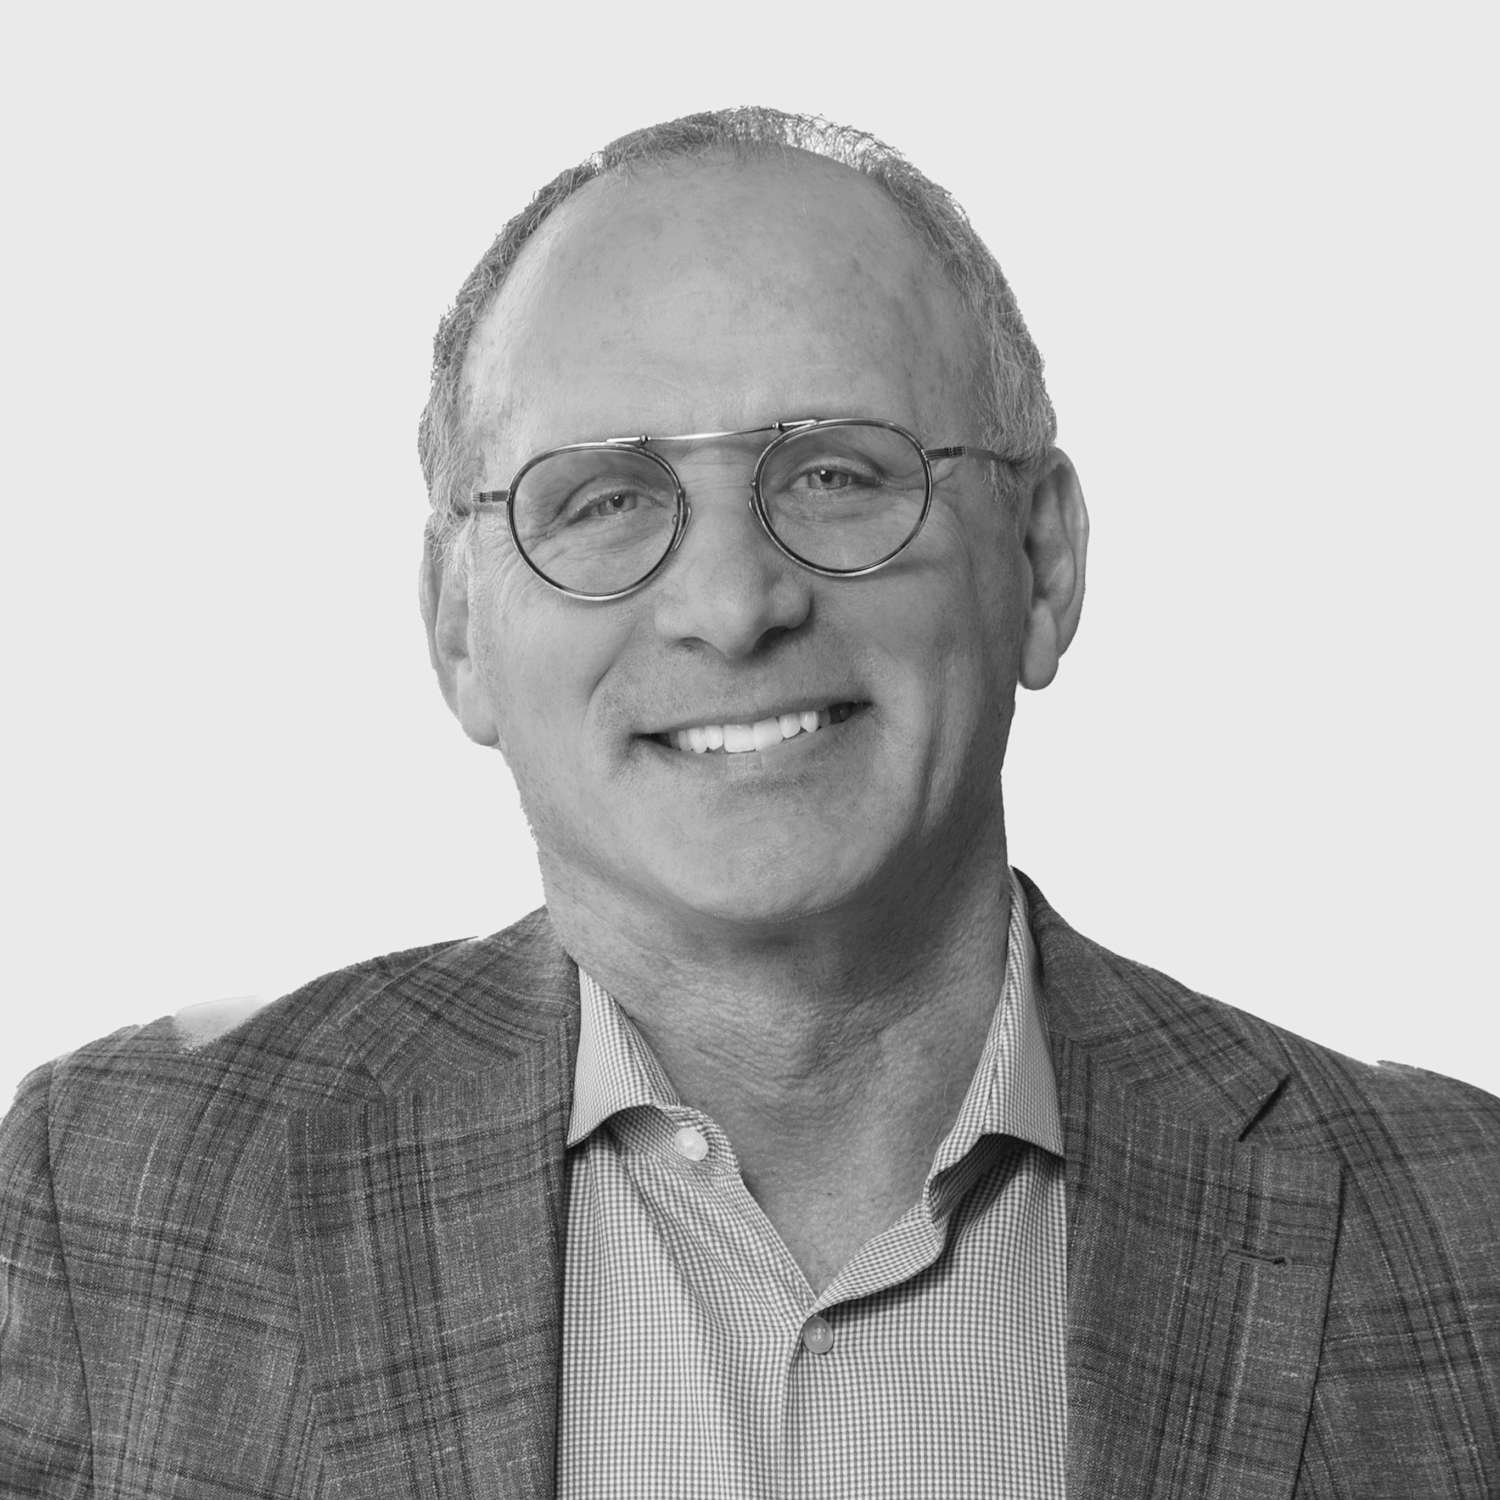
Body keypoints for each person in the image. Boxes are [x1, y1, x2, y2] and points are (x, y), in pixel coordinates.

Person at [3, 106, 1497, 1499]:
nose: (731, 605)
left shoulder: (1463, 1233)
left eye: (839, 475)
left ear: (1042, 565)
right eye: (603, 499)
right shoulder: (116, 1202)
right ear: (458, 627)